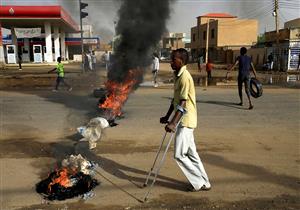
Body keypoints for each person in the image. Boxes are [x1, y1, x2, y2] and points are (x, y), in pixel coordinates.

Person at [160, 48, 211, 192]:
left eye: (173, 59)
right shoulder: (178, 75)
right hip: (183, 119)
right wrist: (167, 117)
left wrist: (173, 123)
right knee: (192, 154)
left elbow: (183, 102)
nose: (170, 62)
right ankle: (205, 182)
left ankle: (198, 182)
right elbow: (174, 101)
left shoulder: (184, 77)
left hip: (185, 120)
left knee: (179, 155)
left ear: (181, 61)